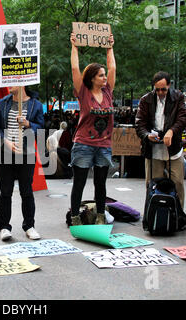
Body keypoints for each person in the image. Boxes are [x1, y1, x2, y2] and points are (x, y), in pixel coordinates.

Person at [68, 32, 116, 226]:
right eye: (101, 75)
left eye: (105, 75)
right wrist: (74, 46)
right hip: (83, 144)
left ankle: (100, 216)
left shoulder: (108, 92)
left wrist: (110, 47)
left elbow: (112, 66)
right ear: (92, 78)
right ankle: (75, 217)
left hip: (103, 145)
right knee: (79, 183)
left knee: (101, 183)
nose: (105, 78)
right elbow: (74, 68)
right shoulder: (83, 92)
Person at [0, 86, 44, 241]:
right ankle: (4, 227)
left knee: (27, 191)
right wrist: (4, 140)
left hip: (26, 153)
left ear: (22, 84)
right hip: (6, 153)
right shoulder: (2, 104)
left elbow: (40, 127)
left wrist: (28, 123)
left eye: (12, 83)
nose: (8, 86)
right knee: (5, 192)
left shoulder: (36, 104)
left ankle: (29, 226)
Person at [135, 71, 186, 208]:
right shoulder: (145, 100)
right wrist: (147, 135)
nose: (160, 92)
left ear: (169, 85)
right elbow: (139, 124)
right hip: (153, 150)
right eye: (157, 89)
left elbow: (183, 119)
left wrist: (171, 131)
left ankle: (178, 214)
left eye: (163, 89)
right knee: (152, 184)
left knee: (177, 183)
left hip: (173, 149)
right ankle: (153, 214)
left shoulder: (178, 97)